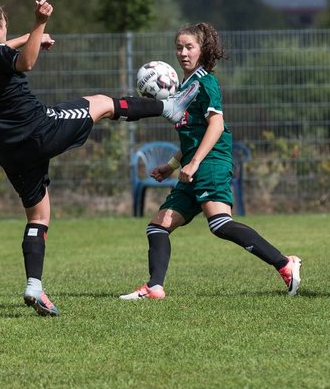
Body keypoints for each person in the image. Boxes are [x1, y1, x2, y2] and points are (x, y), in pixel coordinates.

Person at [0, 0, 172, 316]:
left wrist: (30, 37)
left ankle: (34, 286)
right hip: (39, 130)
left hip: (11, 152)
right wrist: (40, 23)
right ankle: (171, 107)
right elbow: (25, 64)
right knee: (101, 103)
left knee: (38, 217)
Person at [118, 22, 302, 301]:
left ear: (202, 50)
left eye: (189, 47)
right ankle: (155, 287)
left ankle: (284, 264)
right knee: (158, 226)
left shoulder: (205, 82)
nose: (182, 52)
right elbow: (193, 135)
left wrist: (194, 164)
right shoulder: (183, 87)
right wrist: (172, 164)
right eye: (178, 47)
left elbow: (215, 126)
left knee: (220, 224)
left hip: (211, 163)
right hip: (193, 167)